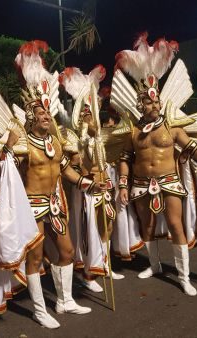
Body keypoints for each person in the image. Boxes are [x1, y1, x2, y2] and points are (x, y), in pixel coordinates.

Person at [115, 34, 197, 296]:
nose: (154, 104)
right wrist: (123, 185)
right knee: (147, 225)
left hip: (169, 181)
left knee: (176, 225)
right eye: (148, 101)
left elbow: (194, 151)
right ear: (140, 103)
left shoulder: (172, 127)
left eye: (156, 100)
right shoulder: (132, 132)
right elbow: (124, 159)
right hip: (141, 184)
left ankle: (183, 275)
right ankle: (155, 265)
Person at [2, 40, 106, 329]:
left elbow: (65, 173)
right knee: (35, 258)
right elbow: (8, 174)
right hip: (32, 207)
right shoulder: (24, 144)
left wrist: (87, 184)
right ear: (31, 116)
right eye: (41, 113)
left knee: (67, 251)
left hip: (55, 204)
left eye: (48, 113)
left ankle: (65, 300)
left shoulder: (56, 145)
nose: (47, 117)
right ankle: (38, 309)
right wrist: (8, 150)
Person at [59, 65, 125, 294]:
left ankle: (104, 265)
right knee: (89, 231)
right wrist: (86, 136)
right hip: (86, 190)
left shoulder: (101, 137)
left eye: (93, 113)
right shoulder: (71, 138)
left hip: (105, 186)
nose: (92, 117)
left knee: (107, 224)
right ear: (80, 116)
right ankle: (88, 272)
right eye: (87, 114)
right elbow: (76, 165)